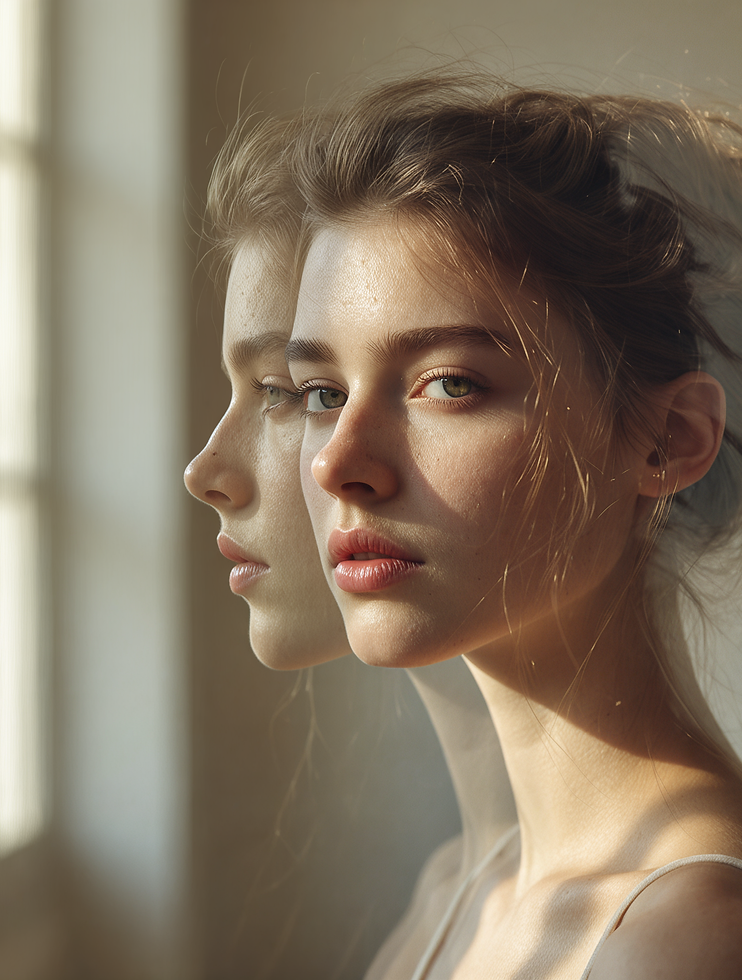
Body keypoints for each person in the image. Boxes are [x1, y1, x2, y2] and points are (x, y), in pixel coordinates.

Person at [275, 72, 742, 979]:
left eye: (449, 383)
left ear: (669, 440)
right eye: (323, 393)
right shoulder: (459, 893)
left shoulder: (698, 945)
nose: (336, 462)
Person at [183, 134, 518, 978]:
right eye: (322, 391)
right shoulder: (450, 886)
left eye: (292, 392)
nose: (205, 473)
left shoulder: (679, 935)